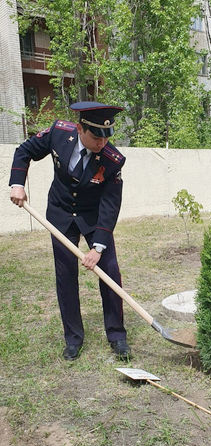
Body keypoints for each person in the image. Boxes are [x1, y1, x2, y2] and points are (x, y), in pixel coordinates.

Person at [9, 102, 131, 362]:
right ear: (79, 129)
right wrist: (17, 184)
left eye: (106, 137)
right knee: (66, 276)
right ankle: (73, 339)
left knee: (110, 270)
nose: (102, 143)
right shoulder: (58, 133)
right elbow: (24, 151)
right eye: (96, 137)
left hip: (93, 217)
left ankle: (117, 336)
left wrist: (98, 248)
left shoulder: (112, 160)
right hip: (61, 214)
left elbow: (110, 205)